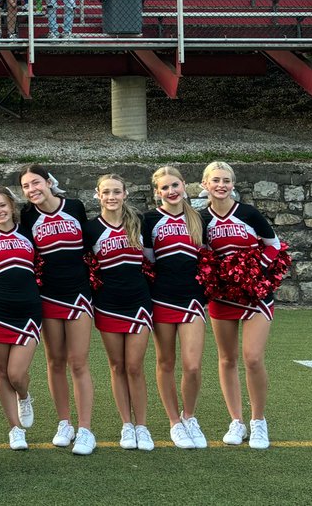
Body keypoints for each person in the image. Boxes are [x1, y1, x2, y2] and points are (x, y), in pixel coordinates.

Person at [201, 161, 282, 450]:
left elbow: (274, 245)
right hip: (222, 296)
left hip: (255, 295)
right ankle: (236, 420)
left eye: (226, 180)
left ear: (233, 184)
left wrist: (254, 273)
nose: (221, 185)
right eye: (215, 180)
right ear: (205, 185)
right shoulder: (201, 219)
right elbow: (201, 254)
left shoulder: (248, 213)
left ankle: (258, 421)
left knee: (253, 358)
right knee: (227, 359)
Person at [19, 164, 95, 455]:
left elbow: (87, 248)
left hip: (78, 294)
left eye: (36, 182)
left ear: (49, 182)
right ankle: (64, 423)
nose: (32, 189)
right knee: (55, 361)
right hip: (48, 295)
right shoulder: (27, 216)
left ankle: (85, 429)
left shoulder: (74, 207)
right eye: (26, 186)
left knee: (78, 362)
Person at [85, 175, 154, 452]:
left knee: (135, 366)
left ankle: (142, 426)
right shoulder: (91, 229)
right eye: (106, 192)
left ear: (125, 194)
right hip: (108, 303)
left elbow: (152, 259)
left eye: (116, 192)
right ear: (98, 195)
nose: (111, 197)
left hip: (138, 302)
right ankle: (126, 424)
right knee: (117, 366)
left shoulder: (139, 222)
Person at [143, 166, 209, 450]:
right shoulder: (148, 220)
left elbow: (208, 257)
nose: (171, 191)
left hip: (193, 299)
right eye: (165, 188)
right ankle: (174, 422)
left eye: (175, 185)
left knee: (192, 366)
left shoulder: (199, 218)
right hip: (161, 298)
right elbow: (148, 262)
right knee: (166, 362)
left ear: (184, 185)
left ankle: (189, 416)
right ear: (157, 192)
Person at [0, 187, 45, 453]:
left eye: (2, 205)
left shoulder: (28, 230)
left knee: (17, 373)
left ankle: (24, 397)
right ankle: (15, 428)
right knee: (3, 372)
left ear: (12, 206)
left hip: (28, 310)